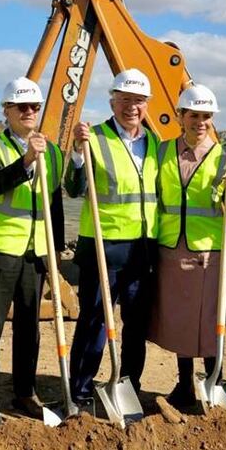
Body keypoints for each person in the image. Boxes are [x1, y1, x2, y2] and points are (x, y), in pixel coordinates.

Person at [65, 68, 159, 404]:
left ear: (146, 104)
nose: (131, 107)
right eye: (125, 100)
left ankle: (129, 387)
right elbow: (74, 189)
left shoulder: (155, 144)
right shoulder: (95, 138)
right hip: (103, 249)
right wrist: (77, 152)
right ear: (112, 101)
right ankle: (80, 390)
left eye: (138, 101)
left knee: (136, 327)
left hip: (143, 250)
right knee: (94, 323)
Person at [0, 77, 65, 419]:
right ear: (6, 110)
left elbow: (53, 203)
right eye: (21, 107)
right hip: (1, 249)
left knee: (29, 327)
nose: (29, 112)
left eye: (34, 107)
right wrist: (26, 160)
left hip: (35, 253)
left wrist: (55, 250)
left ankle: (25, 393)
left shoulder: (52, 151)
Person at [148, 84, 226, 407]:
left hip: (208, 249)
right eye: (193, 115)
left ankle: (215, 380)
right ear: (180, 116)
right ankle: (184, 384)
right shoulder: (162, 151)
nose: (200, 121)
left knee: (210, 318)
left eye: (206, 116)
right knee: (181, 319)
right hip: (171, 247)